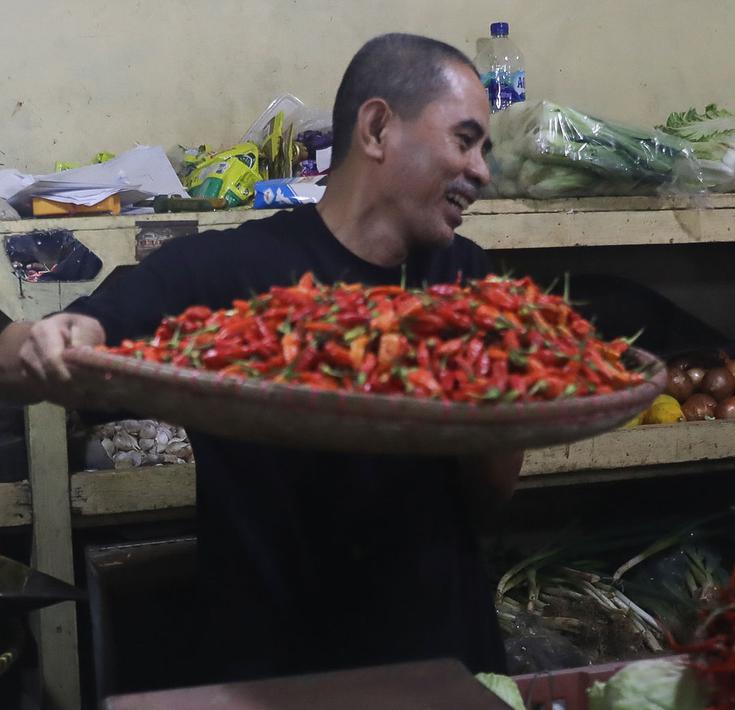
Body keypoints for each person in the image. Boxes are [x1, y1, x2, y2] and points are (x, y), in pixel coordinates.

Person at [0, 33, 523, 682]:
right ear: (378, 127)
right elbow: (26, 354)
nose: (481, 171)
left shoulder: (472, 284)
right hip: (273, 670)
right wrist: (45, 344)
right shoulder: (229, 270)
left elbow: (491, 487)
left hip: (439, 657)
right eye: (465, 140)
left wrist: (500, 407)